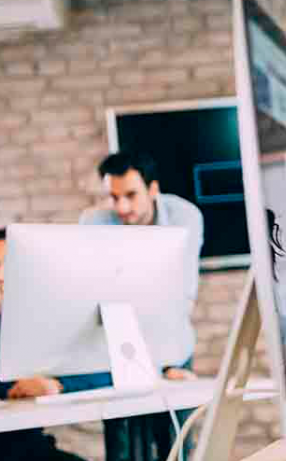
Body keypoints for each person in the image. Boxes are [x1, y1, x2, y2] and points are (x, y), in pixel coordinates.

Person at [79, 152, 204, 461]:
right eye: (114, 197)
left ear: (153, 189)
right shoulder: (93, 223)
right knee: (123, 448)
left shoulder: (184, 216)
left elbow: (182, 294)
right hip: (120, 348)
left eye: (131, 195)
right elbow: (92, 295)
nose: (122, 207)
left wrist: (167, 360)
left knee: (175, 444)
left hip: (171, 343)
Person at [0, 228, 108, 461]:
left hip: (29, 448)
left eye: (10, 266)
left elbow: (101, 372)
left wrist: (57, 384)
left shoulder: (38, 318)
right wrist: (4, 318)